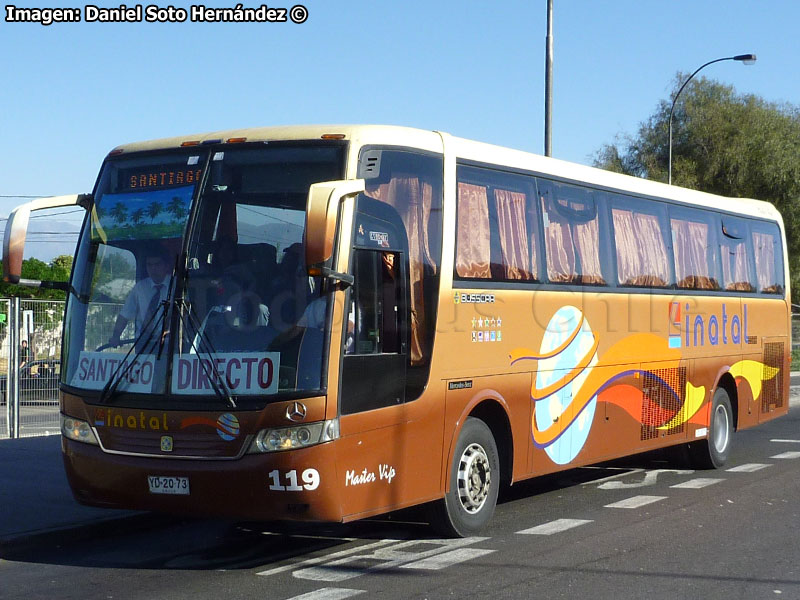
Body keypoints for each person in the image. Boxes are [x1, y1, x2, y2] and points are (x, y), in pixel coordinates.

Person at [108, 249, 172, 350]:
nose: (153, 269)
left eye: (157, 264)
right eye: (149, 265)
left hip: (169, 346)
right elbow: (125, 314)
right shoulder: (140, 288)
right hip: (142, 344)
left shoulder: (176, 286)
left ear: (166, 266)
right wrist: (116, 336)